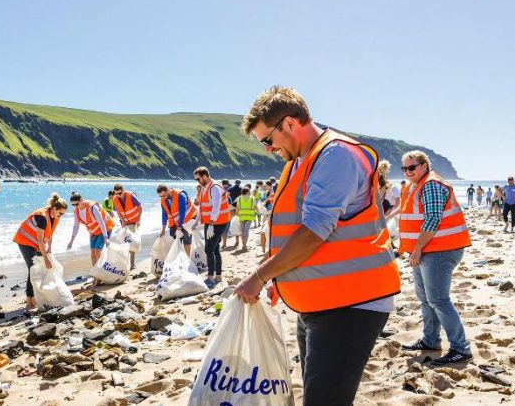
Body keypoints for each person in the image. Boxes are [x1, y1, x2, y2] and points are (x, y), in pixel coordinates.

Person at [234, 86, 400, 405]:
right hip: (321, 301)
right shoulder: (299, 161)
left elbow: (313, 231)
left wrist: (260, 276)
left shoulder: (335, 154)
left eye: (268, 140)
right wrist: (282, 278)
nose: (267, 149)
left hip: (353, 302)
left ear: (291, 124)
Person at [397, 150, 473, 366]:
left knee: (438, 299)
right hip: (424, 250)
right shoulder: (415, 185)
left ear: (424, 165)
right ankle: (431, 340)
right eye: (404, 168)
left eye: (412, 167)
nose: (408, 171)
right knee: (426, 299)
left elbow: (433, 219)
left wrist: (418, 248)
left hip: (439, 250)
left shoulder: (431, 184)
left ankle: (460, 348)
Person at [13, 193, 68, 310]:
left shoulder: (55, 217)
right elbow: (39, 240)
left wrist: (49, 249)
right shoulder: (42, 216)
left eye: (63, 214)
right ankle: (29, 302)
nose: (61, 216)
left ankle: (36, 298)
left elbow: (50, 233)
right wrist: (46, 259)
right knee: (33, 269)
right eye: (61, 213)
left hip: (35, 243)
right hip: (25, 241)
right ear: (54, 208)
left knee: (39, 268)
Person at [194, 166, 231, 288]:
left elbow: (216, 207)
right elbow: (203, 207)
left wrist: (211, 224)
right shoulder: (204, 187)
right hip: (210, 223)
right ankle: (218, 276)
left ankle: (210, 276)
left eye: (198, 179)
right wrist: (196, 222)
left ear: (205, 176)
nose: (197, 181)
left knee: (208, 249)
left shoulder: (214, 187)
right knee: (214, 249)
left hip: (218, 223)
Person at [68, 192, 115, 285]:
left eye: (76, 204)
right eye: (72, 205)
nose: (75, 206)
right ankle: (96, 276)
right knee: (92, 254)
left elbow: (101, 222)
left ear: (81, 200)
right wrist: (71, 240)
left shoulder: (92, 207)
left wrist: (106, 238)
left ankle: (101, 275)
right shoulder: (76, 211)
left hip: (105, 228)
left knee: (98, 251)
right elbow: (76, 226)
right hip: (93, 231)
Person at [157, 184, 196, 254]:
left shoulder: (180, 196)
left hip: (188, 220)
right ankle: (178, 260)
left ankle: (187, 259)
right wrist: (163, 229)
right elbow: (164, 214)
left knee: (186, 241)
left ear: (168, 190)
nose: (162, 198)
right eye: (160, 196)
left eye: (163, 195)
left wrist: (179, 227)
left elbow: (182, 213)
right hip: (175, 222)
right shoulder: (163, 199)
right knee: (175, 242)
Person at [112, 184, 142, 269]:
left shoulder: (131, 196)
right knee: (125, 243)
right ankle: (127, 262)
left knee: (131, 242)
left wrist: (139, 220)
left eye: (120, 193)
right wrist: (123, 221)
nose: (118, 195)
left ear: (123, 190)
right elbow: (117, 211)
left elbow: (140, 207)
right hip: (125, 223)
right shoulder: (115, 199)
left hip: (134, 222)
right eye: (116, 193)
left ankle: (132, 264)